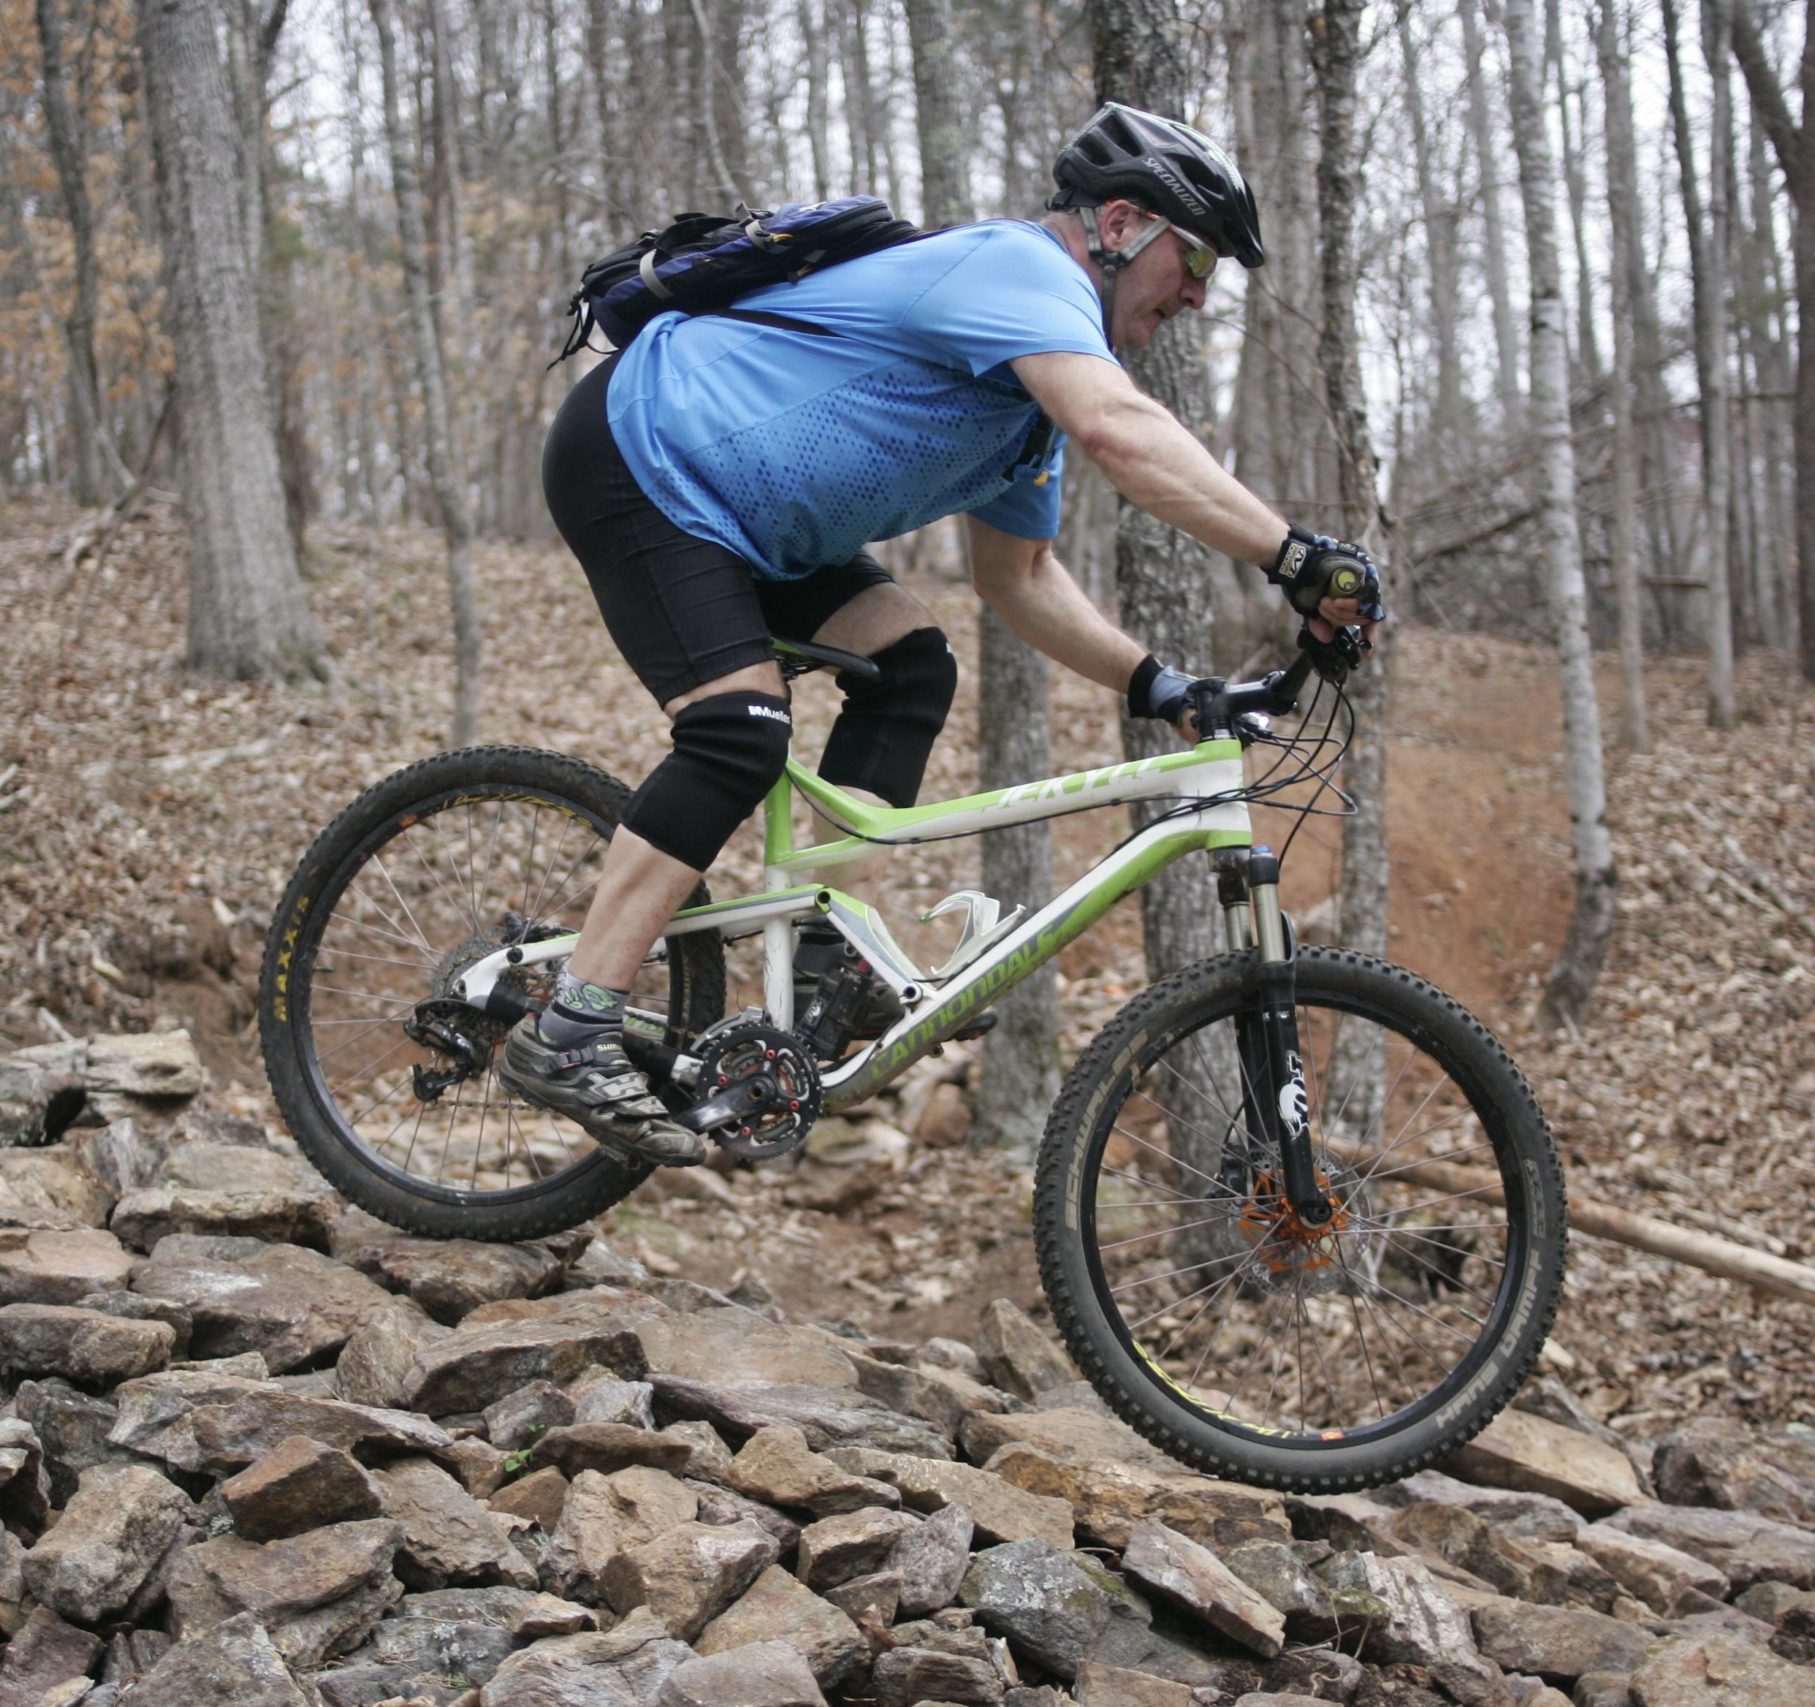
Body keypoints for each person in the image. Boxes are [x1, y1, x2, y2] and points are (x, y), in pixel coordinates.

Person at [507, 102, 1384, 1166]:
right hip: (640, 461)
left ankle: (829, 966)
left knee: (910, 665)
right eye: (1192, 258)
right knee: (739, 730)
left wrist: (1160, 686)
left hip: (747, 525)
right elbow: (1118, 430)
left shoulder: (1025, 397)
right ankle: (573, 1024)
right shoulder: (1019, 273)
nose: (1197, 295)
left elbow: (1016, 578)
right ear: (1118, 222)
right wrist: (1293, 557)